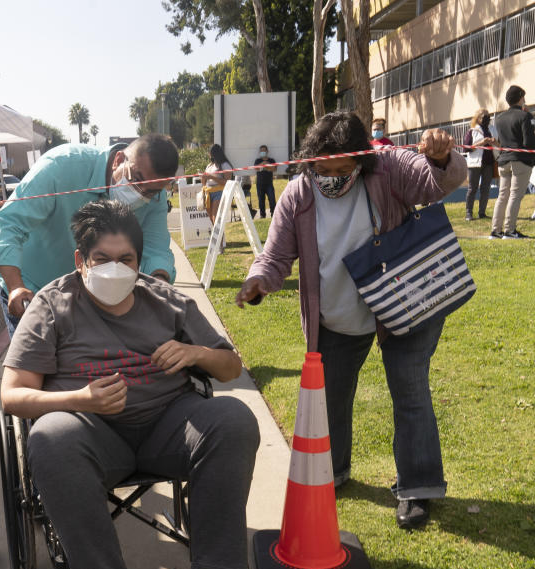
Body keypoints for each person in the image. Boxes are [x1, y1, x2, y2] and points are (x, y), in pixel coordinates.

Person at [1, 200, 261, 569]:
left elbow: (230, 367)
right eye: (102, 259)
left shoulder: (166, 301)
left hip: (168, 427)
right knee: (50, 437)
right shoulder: (53, 304)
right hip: (93, 436)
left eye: (126, 260)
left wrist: (196, 354)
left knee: (234, 420)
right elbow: (14, 395)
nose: (115, 269)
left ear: (140, 263)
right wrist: (79, 400)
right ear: (81, 261)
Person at [235, 111, 467, 530]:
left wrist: (440, 157)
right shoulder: (297, 195)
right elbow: (275, 256)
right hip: (337, 317)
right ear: (310, 162)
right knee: (332, 399)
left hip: (406, 306)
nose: (334, 178)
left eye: (345, 169)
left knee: (410, 393)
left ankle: (417, 488)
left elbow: (440, 183)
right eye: (324, 169)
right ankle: (335, 472)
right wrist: (258, 282)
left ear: (362, 160)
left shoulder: (389, 166)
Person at [0, 134, 179, 337]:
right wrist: (16, 286)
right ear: (118, 160)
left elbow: (155, 250)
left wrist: (160, 284)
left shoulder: (156, 195)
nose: (140, 194)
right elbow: (8, 225)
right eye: (136, 180)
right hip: (30, 290)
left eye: (150, 192)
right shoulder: (62, 166)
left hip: (91, 299)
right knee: (33, 364)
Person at [491, 85, 534, 239]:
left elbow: (501, 141)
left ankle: (496, 231)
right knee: (515, 196)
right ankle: (510, 230)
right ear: (521, 97)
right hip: (520, 161)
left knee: (502, 196)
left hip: (503, 160)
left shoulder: (500, 118)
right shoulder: (525, 117)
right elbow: (529, 143)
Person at [464, 108, 497, 223]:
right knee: (472, 188)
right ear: (477, 118)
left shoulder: (493, 129)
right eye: (484, 116)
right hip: (475, 164)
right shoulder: (472, 131)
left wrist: (494, 141)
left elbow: (499, 144)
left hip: (488, 163)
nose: (487, 118)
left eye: (488, 116)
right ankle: (469, 212)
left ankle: (482, 212)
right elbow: (466, 147)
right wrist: (482, 142)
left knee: (485, 188)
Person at [199, 143, 234, 221]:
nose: (209, 154)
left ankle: (219, 233)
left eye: (209, 152)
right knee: (211, 218)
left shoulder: (225, 165)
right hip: (208, 192)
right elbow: (204, 182)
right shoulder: (209, 165)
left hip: (219, 192)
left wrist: (211, 177)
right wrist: (203, 177)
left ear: (214, 153)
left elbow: (227, 182)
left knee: (215, 217)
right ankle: (220, 233)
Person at [253, 145, 277, 219]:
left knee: (272, 199)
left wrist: (265, 165)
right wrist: (264, 164)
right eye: (261, 151)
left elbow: (274, 169)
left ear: (267, 151)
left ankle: (274, 214)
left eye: (264, 150)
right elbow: (256, 168)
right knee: (261, 200)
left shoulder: (272, 160)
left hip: (269, 183)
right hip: (259, 184)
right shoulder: (257, 160)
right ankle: (262, 215)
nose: (262, 152)